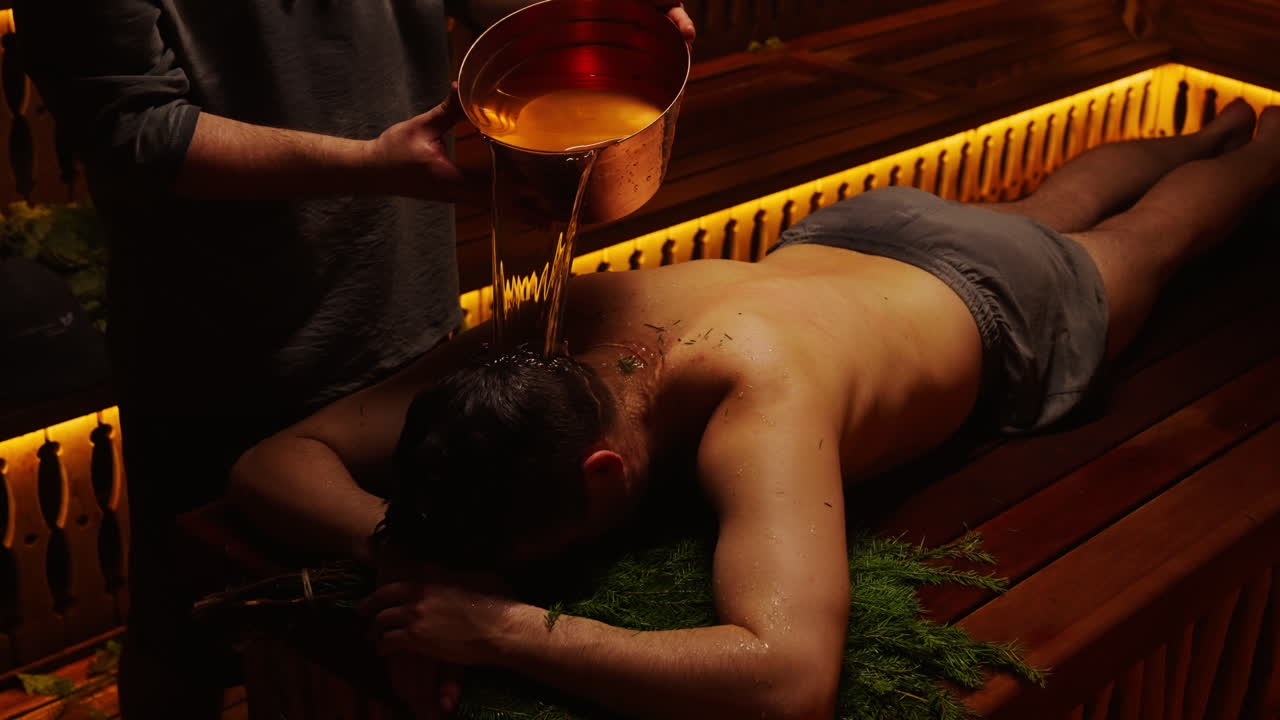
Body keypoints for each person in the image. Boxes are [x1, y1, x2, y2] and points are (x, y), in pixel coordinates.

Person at [231, 99, 1277, 718]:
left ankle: (1262, 136)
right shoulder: (547, 332)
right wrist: (400, 555)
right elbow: (273, 459)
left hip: (995, 304)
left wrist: (505, 630)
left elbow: (786, 680)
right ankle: (1216, 126)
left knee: (1142, 246)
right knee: (1044, 207)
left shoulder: (755, 397)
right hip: (862, 236)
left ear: (603, 473)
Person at [12, 1, 694, 718]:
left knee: (411, 625)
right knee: (188, 625)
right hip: (223, 346)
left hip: (407, 304)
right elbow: (132, 132)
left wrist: (603, 17)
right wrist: (371, 163)